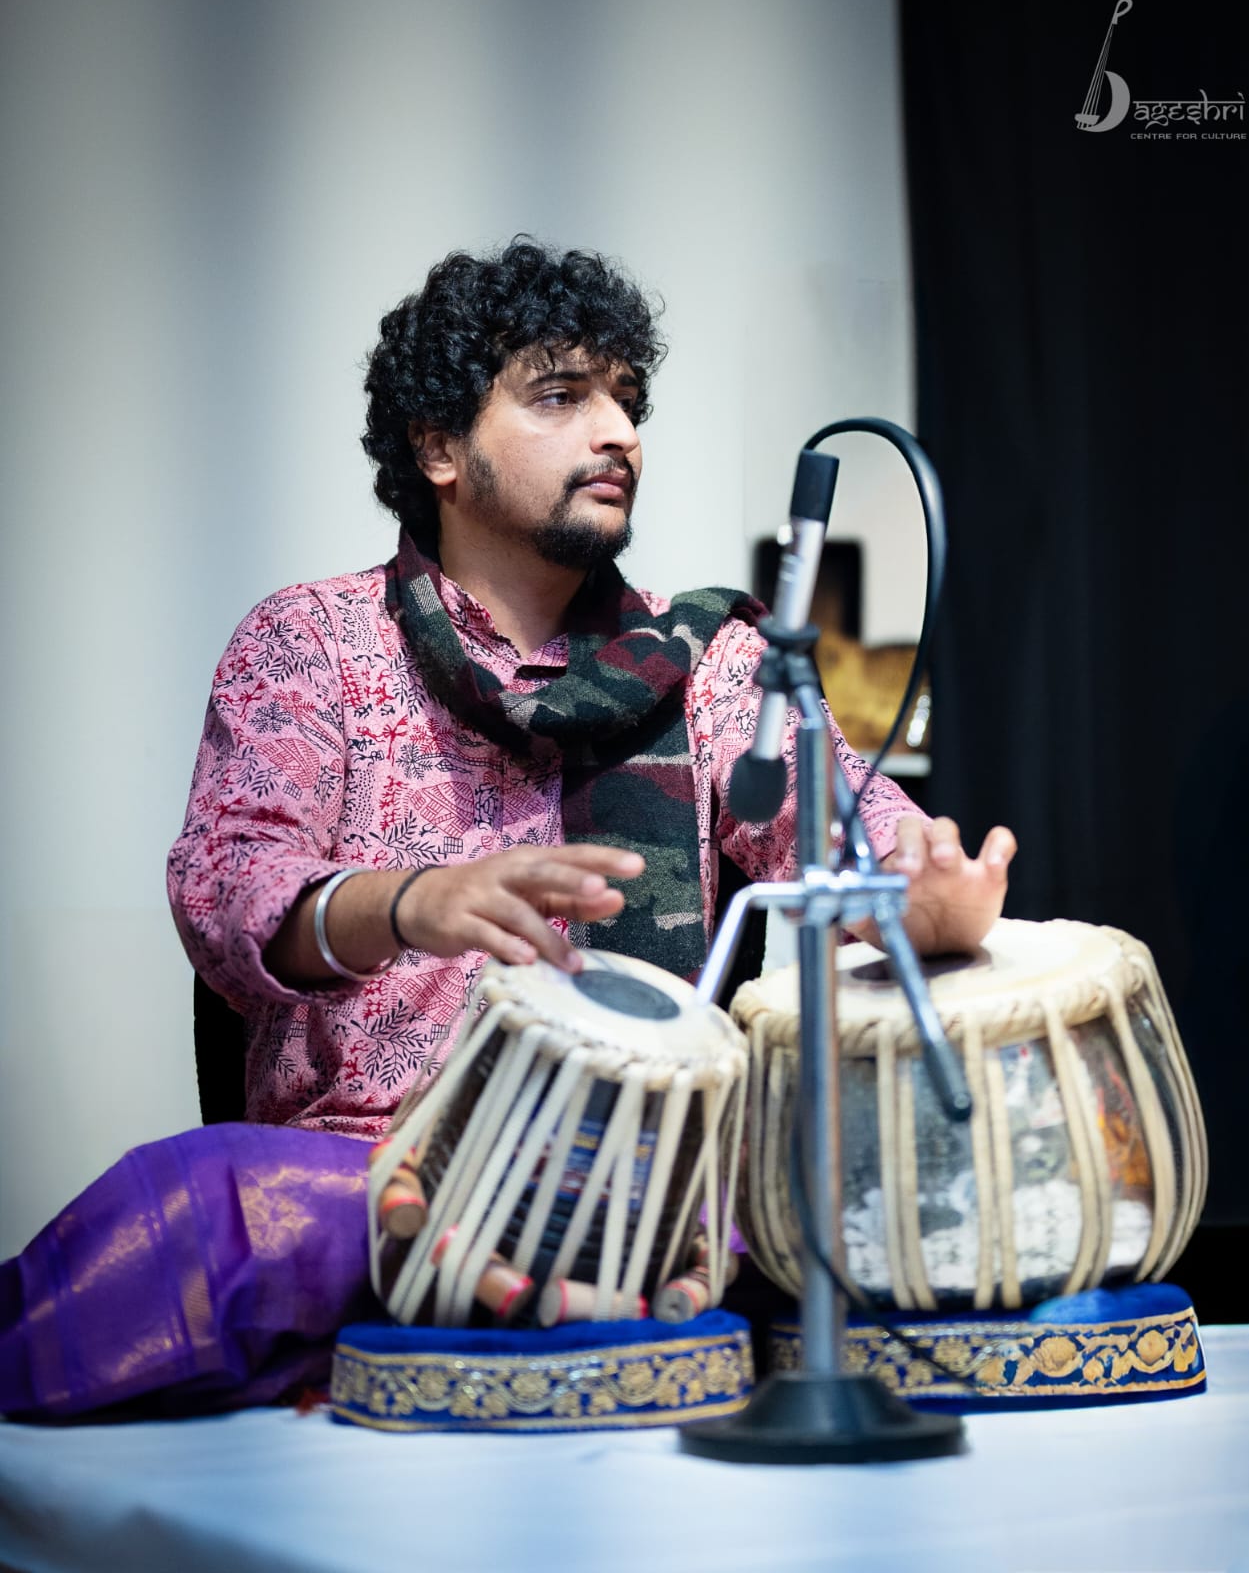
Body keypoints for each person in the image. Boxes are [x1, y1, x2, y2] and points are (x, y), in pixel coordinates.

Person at [167, 237, 1015, 1138]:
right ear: (440, 447)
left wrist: (915, 889)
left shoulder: (700, 659)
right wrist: (418, 902)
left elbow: (838, 818)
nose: (619, 432)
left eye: (626, 401)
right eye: (562, 397)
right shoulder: (312, 642)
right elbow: (230, 894)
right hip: (354, 1179)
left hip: (636, 1185)